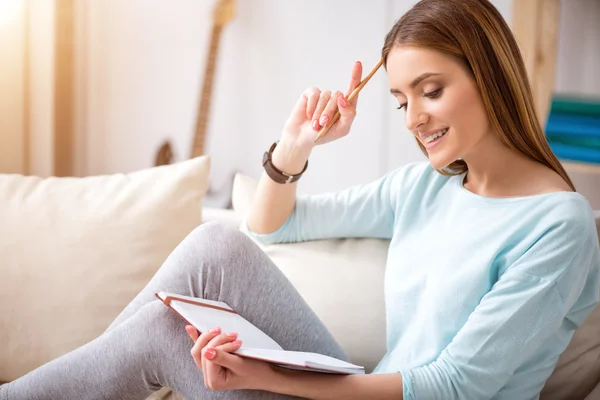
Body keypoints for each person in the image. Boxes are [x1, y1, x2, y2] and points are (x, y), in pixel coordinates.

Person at [2, 0, 600, 399]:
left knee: (163, 334)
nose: (414, 118)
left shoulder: (559, 225)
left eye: (432, 91)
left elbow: (456, 382)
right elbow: (268, 229)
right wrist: (294, 148)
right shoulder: (426, 186)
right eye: (399, 101)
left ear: (491, 75)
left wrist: (267, 374)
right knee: (215, 246)